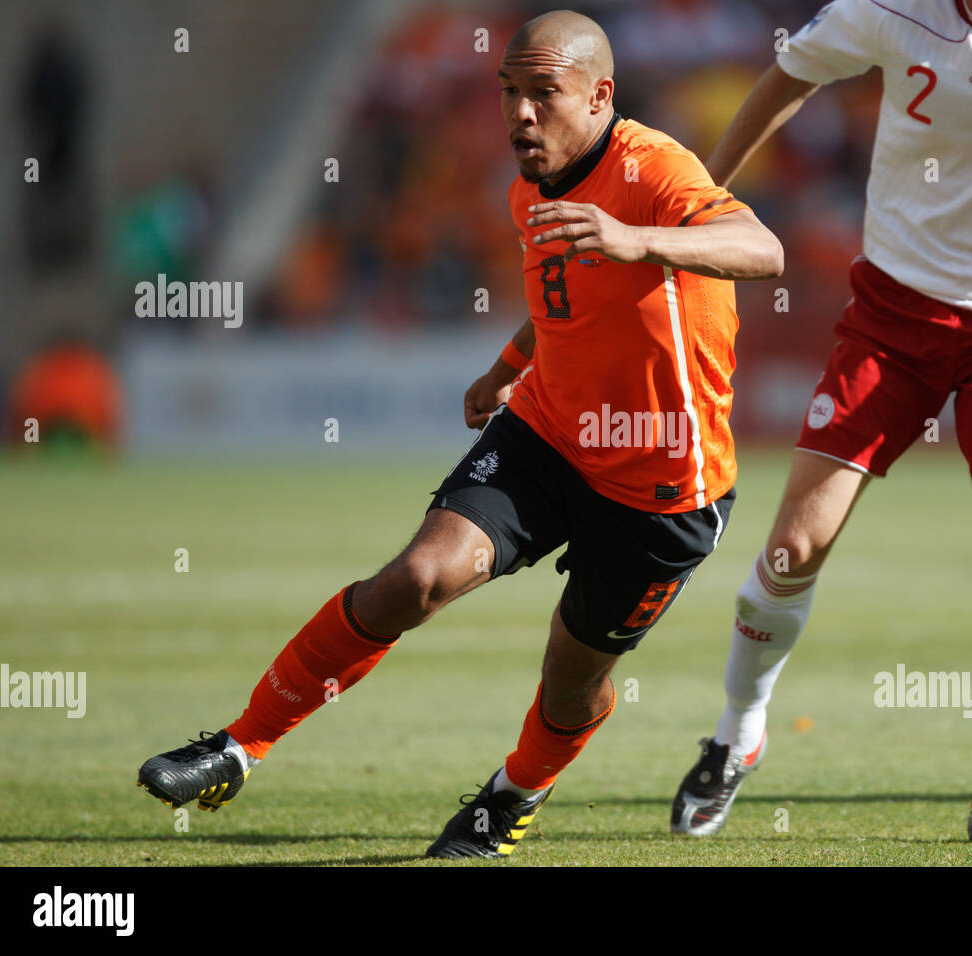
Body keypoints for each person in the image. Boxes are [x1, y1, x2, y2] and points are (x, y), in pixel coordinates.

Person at [137, 9, 783, 860]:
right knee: (415, 577)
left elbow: (762, 247)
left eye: (541, 94)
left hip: (666, 486)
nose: (518, 114)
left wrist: (636, 239)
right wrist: (510, 359)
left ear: (600, 96)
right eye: (508, 92)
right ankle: (237, 745)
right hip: (547, 434)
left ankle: (512, 797)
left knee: (572, 678)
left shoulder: (655, 170)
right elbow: (563, 290)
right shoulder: (532, 184)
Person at [669, 0, 972, 841]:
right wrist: (705, 196)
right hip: (893, 317)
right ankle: (736, 737)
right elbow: (792, 73)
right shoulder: (889, 11)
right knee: (793, 551)